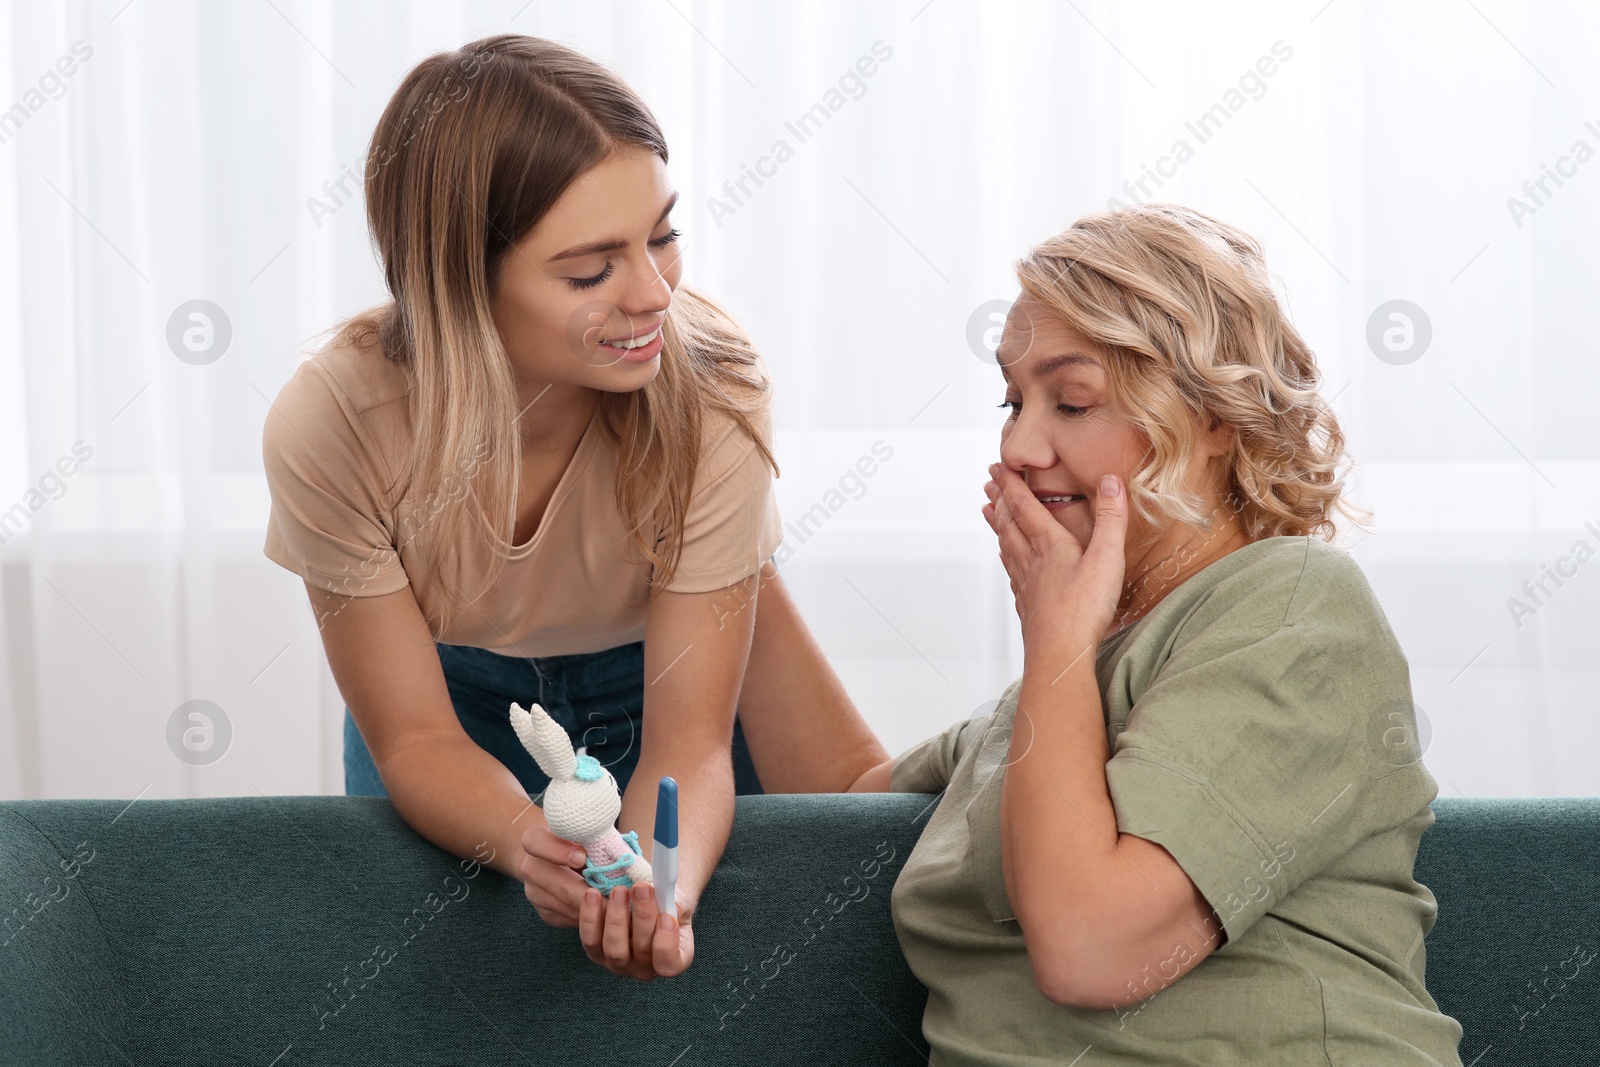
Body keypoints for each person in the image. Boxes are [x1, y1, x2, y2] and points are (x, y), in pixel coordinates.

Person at [739, 205, 1466, 1063]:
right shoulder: (1060, 692)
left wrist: (1054, 632)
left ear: (1215, 417)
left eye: (1072, 400)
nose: (1017, 445)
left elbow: (1094, 948)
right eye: (1013, 401)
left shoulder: (1295, 606)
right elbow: (843, 794)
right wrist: (723, 543)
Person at [260, 33, 887, 982]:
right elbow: (417, 737)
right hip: (455, 704)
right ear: (462, 281)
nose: (654, 294)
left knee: (729, 978)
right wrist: (528, 843)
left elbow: (690, 742)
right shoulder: (335, 422)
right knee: (464, 994)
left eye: (662, 235)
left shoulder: (712, 389)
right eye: (591, 269)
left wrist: (656, 895)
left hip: (659, 683)